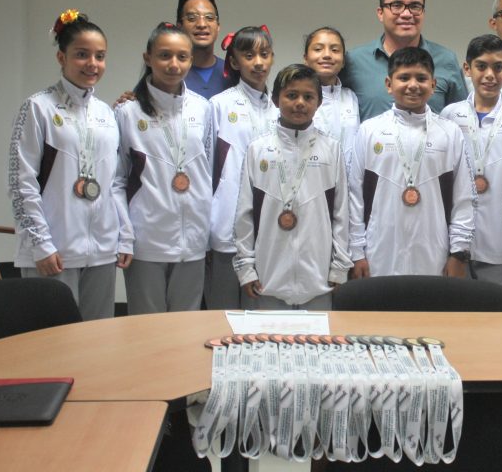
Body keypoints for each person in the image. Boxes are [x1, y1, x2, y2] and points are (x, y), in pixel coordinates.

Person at [8, 9, 130, 320]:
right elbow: (21, 183)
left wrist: (122, 236)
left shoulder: (106, 113)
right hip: (54, 250)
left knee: (98, 338)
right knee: (52, 339)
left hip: (102, 251)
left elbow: (115, 182)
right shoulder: (38, 108)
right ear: (61, 57)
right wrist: (41, 244)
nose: (92, 64)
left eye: (100, 56)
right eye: (82, 54)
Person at [113, 22, 213, 314]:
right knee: (147, 327)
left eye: (182, 57)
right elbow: (117, 180)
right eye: (164, 55)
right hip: (146, 239)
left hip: (193, 239)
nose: (173, 64)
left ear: (191, 60)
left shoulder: (202, 108)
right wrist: (125, 235)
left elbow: (208, 171)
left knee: (187, 326)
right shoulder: (127, 112)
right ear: (148, 58)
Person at [232, 65, 351, 310]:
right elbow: (244, 215)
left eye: (308, 97)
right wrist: (246, 268)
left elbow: (341, 213)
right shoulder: (258, 149)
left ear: (319, 103)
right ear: (276, 100)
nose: (300, 103)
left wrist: (339, 267)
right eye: (291, 95)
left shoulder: (331, 149)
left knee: (318, 335)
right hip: (268, 279)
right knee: (269, 335)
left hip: (318, 280)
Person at [348, 47, 473, 278]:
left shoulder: (450, 132)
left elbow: (463, 196)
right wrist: (357, 253)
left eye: (421, 78)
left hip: (434, 253)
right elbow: (354, 195)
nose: (413, 85)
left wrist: (458, 253)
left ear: (433, 85)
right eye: (404, 78)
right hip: (379, 252)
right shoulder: (369, 131)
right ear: (389, 84)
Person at [440, 34, 502, 307]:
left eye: (498, 67)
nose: (490, 75)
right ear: (467, 69)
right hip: (455, 246)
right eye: (481, 66)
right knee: (455, 318)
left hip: (500, 242)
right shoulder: (449, 116)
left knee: (500, 320)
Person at [206, 25, 276, 310]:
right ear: (234, 62)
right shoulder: (219, 106)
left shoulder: (278, 110)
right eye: (249, 56)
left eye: (264, 54)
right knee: (222, 314)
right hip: (226, 224)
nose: (258, 62)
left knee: (259, 316)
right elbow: (206, 168)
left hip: (268, 228)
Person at [341, 0, 467, 120]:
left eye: (415, 6)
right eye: (396, 5)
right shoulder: (353, 61)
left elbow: (462, 117)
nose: (406, 14)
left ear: (423, 12)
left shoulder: (446, 60)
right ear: (380, 13)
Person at [304, 26, 359, 161]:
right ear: (306, 58)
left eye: (335, 50)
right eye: (318, 49)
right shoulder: (297, 99)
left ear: (343, 61)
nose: (327, 55)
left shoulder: (351, 97)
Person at [177, 0, 227, 99]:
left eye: (209, 17)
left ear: (218, 26)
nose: (202, 24)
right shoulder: (169, 73)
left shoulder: (234, 73)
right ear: (179, 26)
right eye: (192, 18)